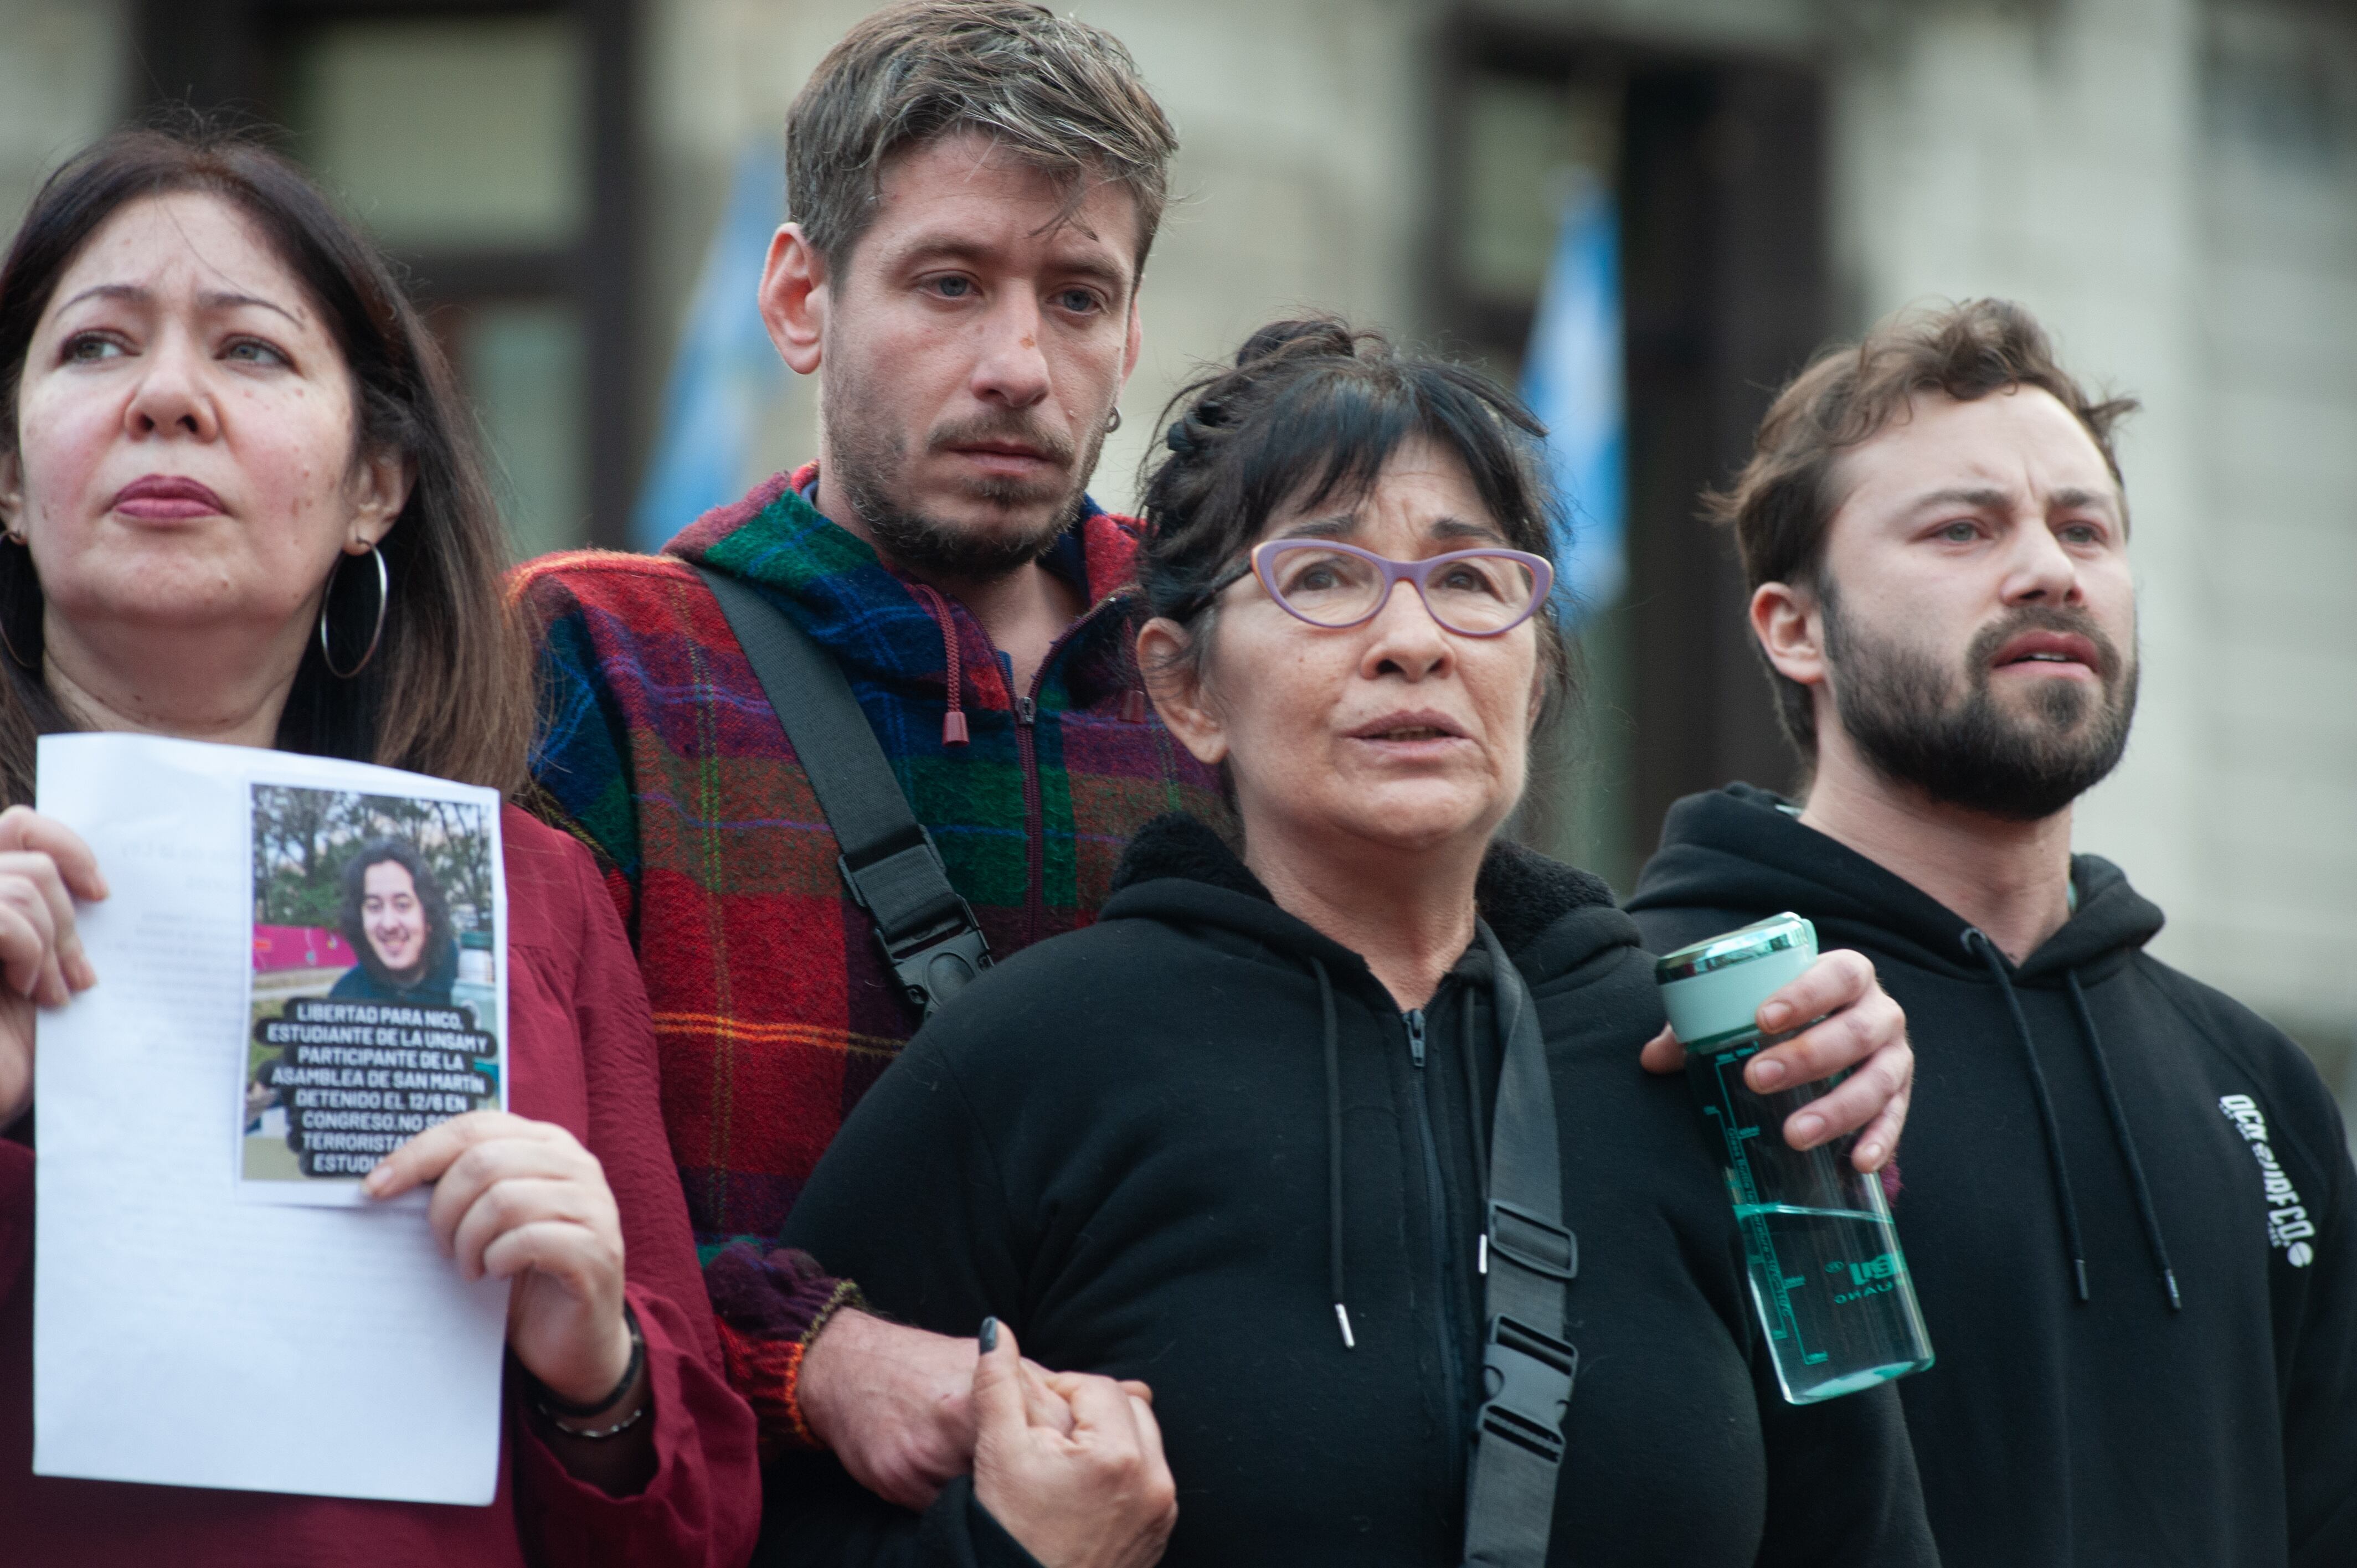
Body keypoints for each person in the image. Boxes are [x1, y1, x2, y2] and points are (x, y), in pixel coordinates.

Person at [519, 0, 1920, 1504]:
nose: (1016, 362)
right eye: (947, 283)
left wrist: (1772, 1046)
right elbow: (507, 1202)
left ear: (1130, 329)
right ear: (798, 298)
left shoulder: (1256, 624)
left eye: (1074, 296)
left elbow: (1445, 956)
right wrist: (815, 1353)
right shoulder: (599, 655)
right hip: (723, 1519)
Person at [761, 319, 1939, 1567]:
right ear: (1185, 688)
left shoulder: (1700, 1071)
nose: (1412, 640)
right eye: (1321, 577)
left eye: (1470, 580)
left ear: (1533, 677)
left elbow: (1857, 1535)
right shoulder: (1026, 1067)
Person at [0, 125, 758, 1564]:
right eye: (97, 347)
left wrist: (591, 1366)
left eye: (252, 352)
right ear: (4, 471)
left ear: (375, 489)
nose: (167, 397)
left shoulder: (531, 901)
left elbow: (697, 1529)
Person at [1625, 300, 2357, 1567]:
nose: (2049, 569)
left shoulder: (2259, 1083)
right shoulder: (1667, 1022)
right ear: (1794, 628)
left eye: (2085, 528)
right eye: (1962, 528)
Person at [329, 838, 459, 1005]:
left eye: (402, 905)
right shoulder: (346, 994)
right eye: (374, 907)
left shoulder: (469, 987)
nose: (388, 924)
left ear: (429, 916)